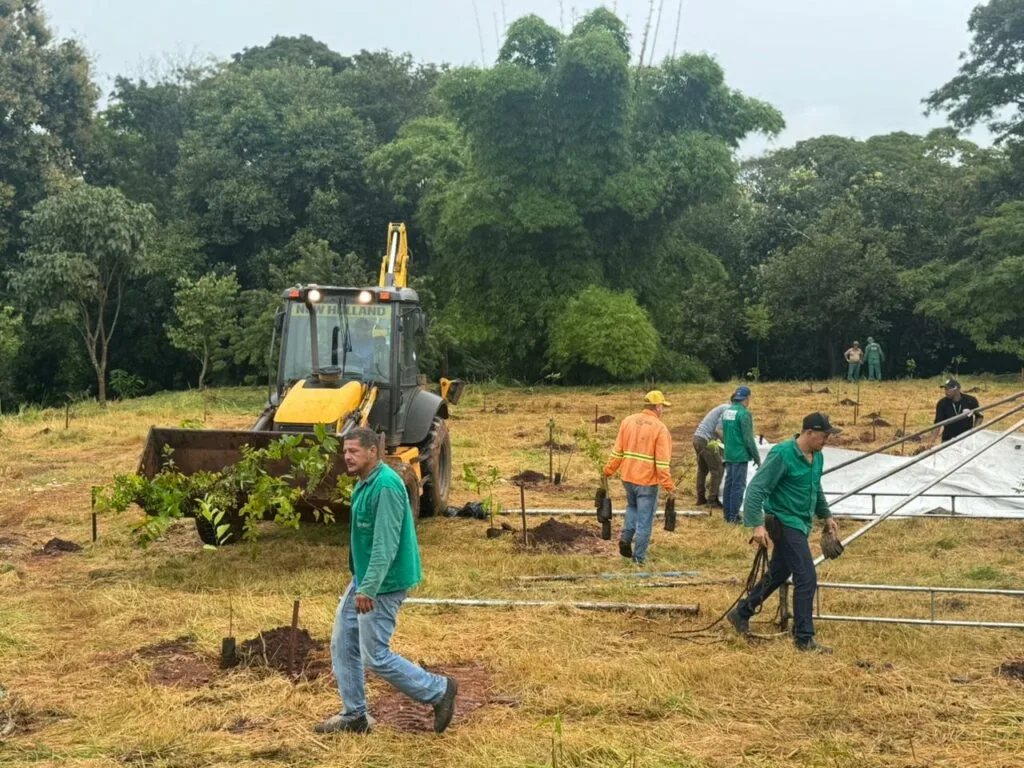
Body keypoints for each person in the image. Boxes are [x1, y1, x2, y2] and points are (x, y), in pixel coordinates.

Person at [315, 427, 458, 735]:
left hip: (383, 583)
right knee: (343, 643)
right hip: (364, 579)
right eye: (345, 451)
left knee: (375, 656)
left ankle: (439, 691)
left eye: (354, 451)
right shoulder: (364, 484)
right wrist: (361, 581)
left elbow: (386, 543)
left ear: (372, 452)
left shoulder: (387, 487)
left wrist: (369, 588)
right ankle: (355, 715)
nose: (347, 457)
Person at [727, 412, 841, 653]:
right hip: (783, 522)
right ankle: (804, 638)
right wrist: (757, 525)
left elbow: (815, 488)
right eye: (824, 435)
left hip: (800, 523)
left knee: (778, 572)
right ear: (808, 433)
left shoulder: (816, 456)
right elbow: (756, 489)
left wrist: (826, 516)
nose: (827, 440)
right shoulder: (783, 454)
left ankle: (742, 612)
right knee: (806, 577)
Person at [603, 390, 675, 565]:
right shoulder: (660, 428)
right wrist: (669, 486)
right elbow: (662, 463)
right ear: (657, 407)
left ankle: (626, 537)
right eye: (662, 407)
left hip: (628, 477)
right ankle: (639, 559)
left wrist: (607, 471)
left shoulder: (627, 421)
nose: (663, 411)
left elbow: (617, 452)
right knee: (645, 520)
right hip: (647, 482)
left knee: (632, 508)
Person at [721, 386, 760, 524]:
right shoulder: (744, 414)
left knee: (729, 484)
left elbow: (723, 433)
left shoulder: (727, 412)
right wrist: (756, 457)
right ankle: (733, 517)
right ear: (747, 398)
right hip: (740, 455)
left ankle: (727, 515)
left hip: (729, 453)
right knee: (738, 486)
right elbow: (748, 438)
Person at [693, 402, 728, 508]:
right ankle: (712, 500)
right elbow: (718, 430)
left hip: (697, 438)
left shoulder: (722, 407)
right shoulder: (728, 410)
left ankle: (700, 498)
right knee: (718, 469)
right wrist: (729, 444)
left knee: (702, 470)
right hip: (706, 440)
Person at [933, 378, 982, 443]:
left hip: (966, 438)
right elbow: (938, 424)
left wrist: (974, 430)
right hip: (948, 440)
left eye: (948, 389)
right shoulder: (942, 403)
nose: (946, 392)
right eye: (945, 389)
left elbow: (979, 416)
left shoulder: (970, 400)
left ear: (956, 390)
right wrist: (931, 441)